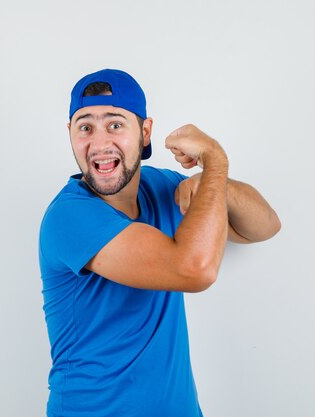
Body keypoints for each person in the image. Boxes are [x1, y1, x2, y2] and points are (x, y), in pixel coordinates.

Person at [38, 68, 281, 417]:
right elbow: (195, 270)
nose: (100, 143)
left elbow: (263, 225)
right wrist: (215, 162)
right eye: (85, 127)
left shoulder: (160, 187)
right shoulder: (69, 217)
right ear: (70, 135)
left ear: (145, 131)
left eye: (116, 124)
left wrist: (215, 186)